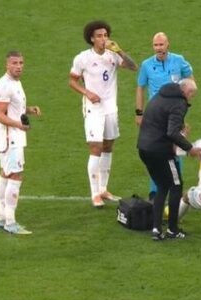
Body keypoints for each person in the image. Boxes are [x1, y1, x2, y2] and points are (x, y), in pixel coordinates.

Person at [69, 20, 138, 207]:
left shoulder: (112, 56)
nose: (103, 39)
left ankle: (103, 189)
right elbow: (72, 81)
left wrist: (119, 50)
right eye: (99, 36)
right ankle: (94, 194)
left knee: (108, 146)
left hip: (110, 108)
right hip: (93, 109)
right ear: (91, 38)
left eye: (105, 35)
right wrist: (87, 93)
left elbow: (133, 67)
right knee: (96, 148)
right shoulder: (82, 58)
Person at [137, 79, 201, 241]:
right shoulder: (179, 104)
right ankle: (172, 229)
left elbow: (161, 122)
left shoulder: (160, 95)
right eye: (191, 95)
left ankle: (156, 229)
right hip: (161, 152)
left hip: (144, 148)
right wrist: (190, 148)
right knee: (176, 185)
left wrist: (181, 132)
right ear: (186, 92)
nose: (191, 98)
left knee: (162, 186)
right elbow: (171, 132)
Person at [135, 32, 194, 200]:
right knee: (157, 152)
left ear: (168, 44)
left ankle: (176, 188)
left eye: (161, 44)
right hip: (156, 117)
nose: (159, 48)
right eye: (156, 45)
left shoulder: (179, 60)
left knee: (176, 149)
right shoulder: (146, 65)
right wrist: (139, 112)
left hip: (175, 114)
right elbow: (140, 87)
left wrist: (187, 101)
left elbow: (190, 78)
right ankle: (156, 192)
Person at [0, 51, 41, 235]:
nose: (18, 66)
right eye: (14, 63)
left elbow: (13, 107)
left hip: (12, 136)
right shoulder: (4, 85)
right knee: (15, 176)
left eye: (21, 62)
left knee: (5, 174)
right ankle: (10, 222)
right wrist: (19, 125)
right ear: (7, 65)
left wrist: (29, 110)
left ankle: (1, 217)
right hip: (10, 138)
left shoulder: (15, 83)